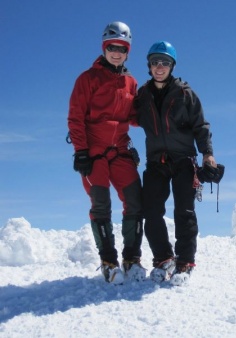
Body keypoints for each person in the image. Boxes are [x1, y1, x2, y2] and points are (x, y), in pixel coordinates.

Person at [134, 41, 222, 285]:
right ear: (149, 66)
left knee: (184, 211)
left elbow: (201, 125)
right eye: (155, 62)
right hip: (156, 162)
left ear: (172, 66)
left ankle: (185, 261)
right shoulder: (142, 95)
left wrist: (207, 153)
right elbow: (126, 118)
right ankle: (163, 259)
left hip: (184, 160)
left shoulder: (185, 93)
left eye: (165, 62)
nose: (159, 67)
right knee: (150, 211)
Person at [68, 21, 145, 284]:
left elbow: (135, 116)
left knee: (136, 201)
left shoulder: (130, 82)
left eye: (122, 48)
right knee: (101, 206)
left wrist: (158, 109)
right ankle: (109, 261)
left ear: (127, 51)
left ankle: (132, 259)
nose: (116, 51)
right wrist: (81, 151)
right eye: (111, 47)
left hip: (121, 151)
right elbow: (75, 118)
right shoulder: (87, 79)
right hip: (94, 154)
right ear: (104, 48)